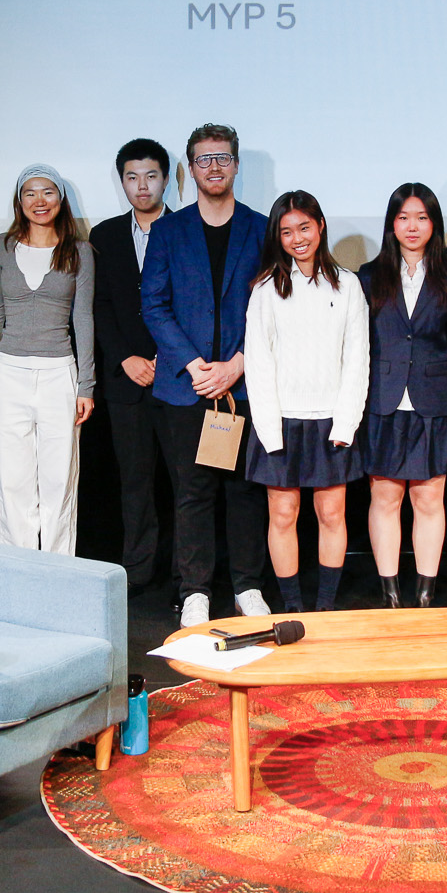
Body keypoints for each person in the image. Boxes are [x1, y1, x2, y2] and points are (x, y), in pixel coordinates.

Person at [140, 123, 273, 628]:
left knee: (246, 492)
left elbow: (274, 306)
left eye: (222, 157)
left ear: (236, 165)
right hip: (187, 386)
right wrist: (194, 365)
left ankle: (247, 586)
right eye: (204, 159)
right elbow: (154, 305)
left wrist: (239, 363)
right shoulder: (168, 231)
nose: (214, 166)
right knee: (192, 493)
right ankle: (194, 590)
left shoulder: (262, 229)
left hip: (244, 384)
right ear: (191, 169)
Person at [244, 191, 370, 613]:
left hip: (332, 419)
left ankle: (325, 608)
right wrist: (268, 429)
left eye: (304, 227)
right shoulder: (265, 289)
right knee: (283, 515)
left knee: (332, 514)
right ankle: (294, 607)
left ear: (320, 227)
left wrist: (346, 423)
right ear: (277, 237)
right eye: (287, 232)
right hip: (280, 419)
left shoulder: (348, 285)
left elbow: (357, 358)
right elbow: (258, 361)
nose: (297, 238)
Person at [362, 183, 447, 607]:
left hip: (434, 400)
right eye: (404, 217)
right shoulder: (369, 276)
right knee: (385, 497)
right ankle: (389, 594)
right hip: (382, 401)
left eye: (422, 218)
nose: (412, 226)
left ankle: (425, 595)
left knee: (428, 499)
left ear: (434, 224)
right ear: (392, 223)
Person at [0, 165, 96, 553]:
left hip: (58, 373)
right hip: (10, 371)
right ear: (19, 201)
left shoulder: (79, 251)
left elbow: (83, 319)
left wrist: (86, 385)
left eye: (47, 192)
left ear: (60, 199)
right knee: (11, 480)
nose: (39, 201)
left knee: (58, 480)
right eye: (30, 193)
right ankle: (17, 566)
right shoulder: (0, 246)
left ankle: (56, 569)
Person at [91, 138, 177, 594]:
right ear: (121, 181)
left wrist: (171, 357)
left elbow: (193, 303)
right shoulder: (103, 236)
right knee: (135, 482)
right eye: (132, 177)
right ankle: (139, 571)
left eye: (151, 176)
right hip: (126, 380)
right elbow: (99, 305)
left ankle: (186, 576)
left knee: (186, 483)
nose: (142, 186)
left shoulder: (186, 228)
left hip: (177, 376)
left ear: (167, 179)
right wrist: (125, 357)